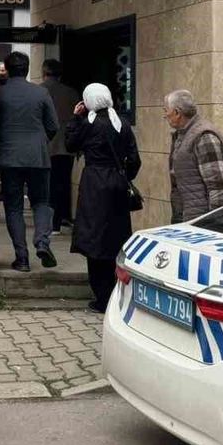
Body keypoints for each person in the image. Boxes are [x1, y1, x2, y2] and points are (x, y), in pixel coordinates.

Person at [65, 84, 141, 313]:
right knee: (115, 238)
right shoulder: (122, 124)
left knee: (94, 239)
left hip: (94, 185)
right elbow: (134, 160)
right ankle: (117, 291)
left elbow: (70, 144)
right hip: (116, 185)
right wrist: (123, 177)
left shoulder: (88, 124)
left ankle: (102, 296)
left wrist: (75, 118)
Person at [0, 52, 59, 272]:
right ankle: (42, 243)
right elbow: (53, 125)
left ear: (6, 68)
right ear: (28, 68)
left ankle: (22, 259)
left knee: (14, 208)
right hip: (37, 157)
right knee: (41, 202)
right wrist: (40, 142)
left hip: (9, 158)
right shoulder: (41, 92)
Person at [164, 89, 223, 223]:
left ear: (177, 113)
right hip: (187, 217)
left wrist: (213, 222)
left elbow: (217, 186)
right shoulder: (182, 134)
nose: (165, 116)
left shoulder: (204, 136)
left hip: (202, 220)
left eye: (166, 111)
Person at [40, 59, 79, 234]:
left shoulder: (39, 91)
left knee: (48, 185)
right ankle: (64, 216)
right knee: (64, 182)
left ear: (44, 73)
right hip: (67, 146)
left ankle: (53, 223)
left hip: (46, 147)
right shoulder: (71, 93)